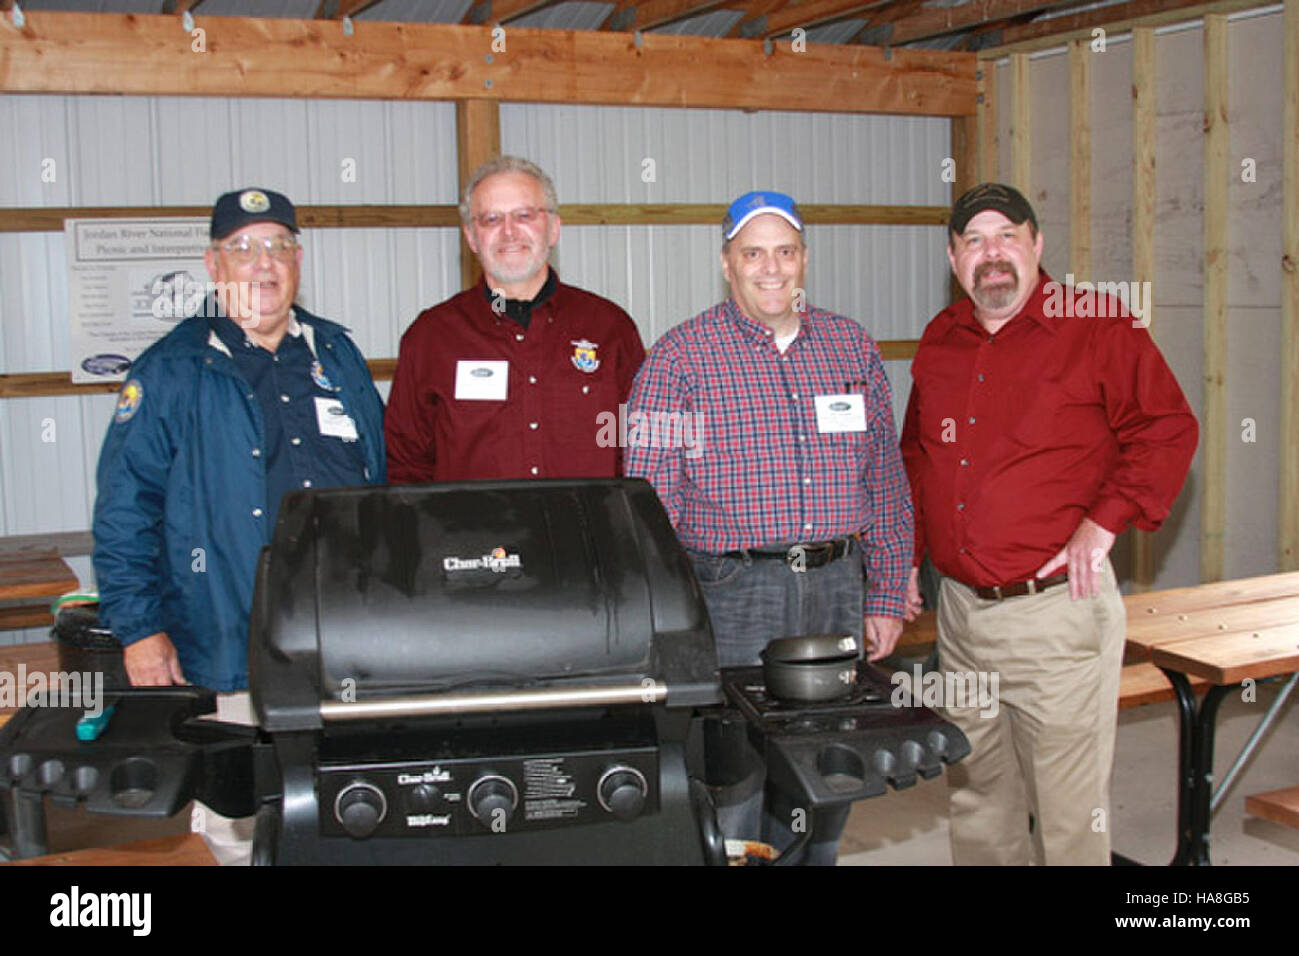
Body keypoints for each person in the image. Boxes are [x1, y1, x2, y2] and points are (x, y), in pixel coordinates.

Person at [900, 182, 1198, 865]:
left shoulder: (1097, 324)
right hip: (960, 614)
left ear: (1036, 244)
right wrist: (908, 559)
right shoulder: (943, 338)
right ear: (953, 257)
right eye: (974, 240)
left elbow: (1167, 427)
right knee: (978, 801)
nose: (992, 253)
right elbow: (918, 457)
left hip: (1056, 617)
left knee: (1068, 818)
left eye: (1007, 235)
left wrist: (1103, 522)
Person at [625, 190, 913, 864]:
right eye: (753, 253)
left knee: (829, 769)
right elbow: (649, 504)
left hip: (837, 588)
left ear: (804, 258)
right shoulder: (678, 359)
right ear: (727, 264)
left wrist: (886, 590)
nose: (772, 268)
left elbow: (886, 478)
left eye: (785, 251)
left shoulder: (851, 347)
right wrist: (666, 622)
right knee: (736, 778)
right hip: (732, 594)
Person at [93, 187, 387, 693]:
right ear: (214, 264)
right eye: (243, 248)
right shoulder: (171, 371)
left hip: (349, 632)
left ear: (298, 260)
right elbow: (125, 510)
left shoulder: (337, 354)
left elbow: (382, 476)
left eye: (278, 246)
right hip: (227, 643)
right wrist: (140, 630)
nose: (263, 263)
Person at [385, 156, 645, 482]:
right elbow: (406, 463)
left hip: (587, 518)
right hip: (474, 519)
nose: (508, 232)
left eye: (524, 215)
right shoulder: (431, 338)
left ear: (554, 228)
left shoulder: (610, 328)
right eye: (491, 219)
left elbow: (640, 448)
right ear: (471, 237)